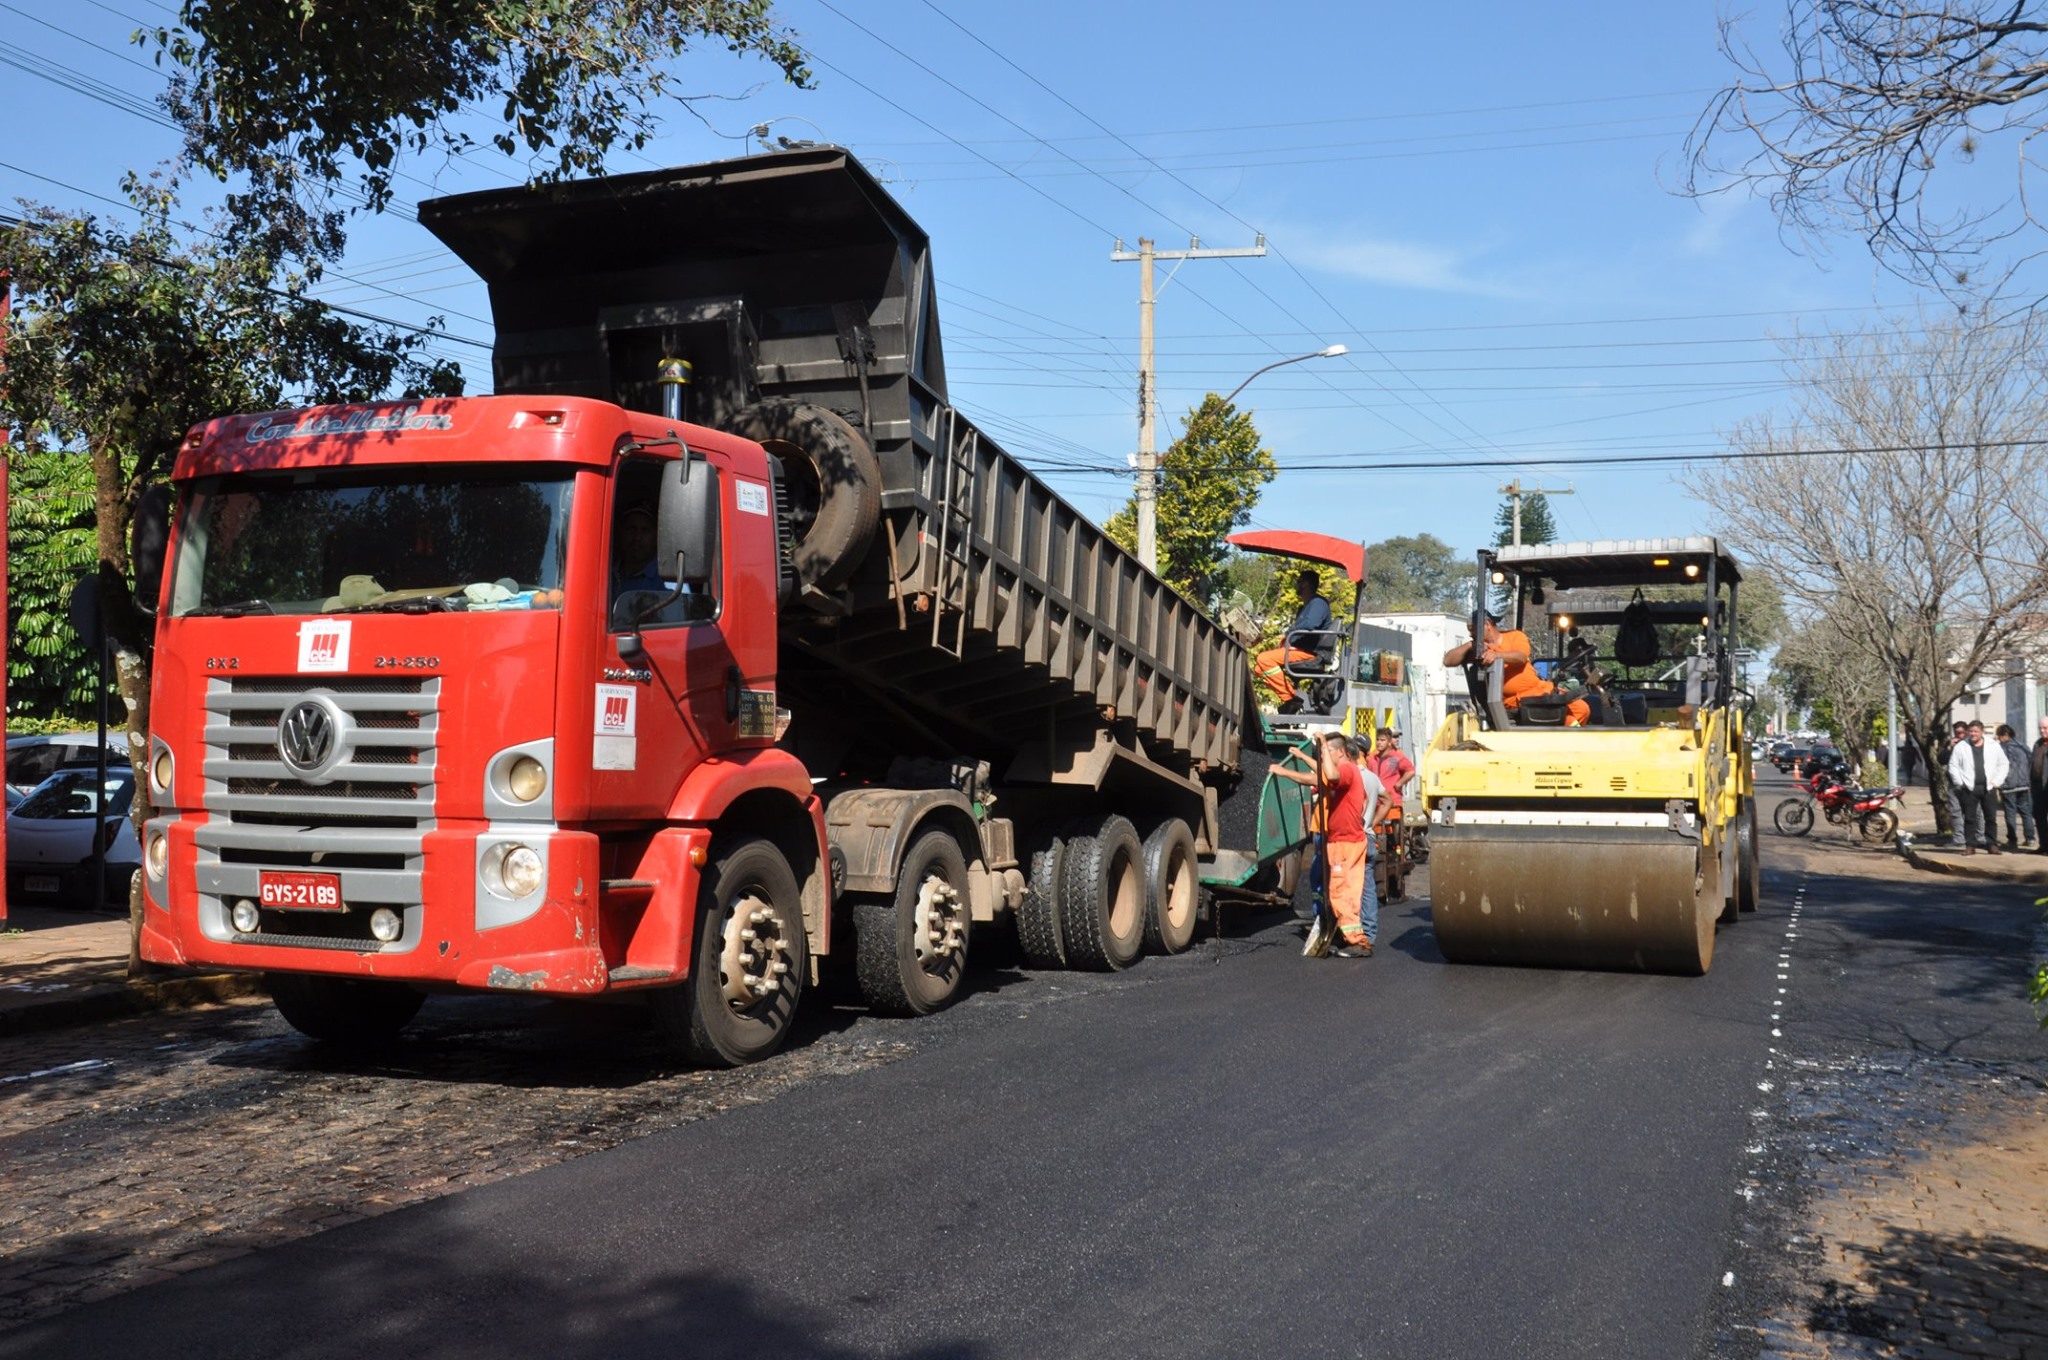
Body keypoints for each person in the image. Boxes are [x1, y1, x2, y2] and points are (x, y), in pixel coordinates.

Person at [1272, 733, 1382, 958]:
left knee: (1340, 891)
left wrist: (1321, 744)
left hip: (1345, 842)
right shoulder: (1344, 772)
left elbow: (1328, 774)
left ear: (1340, 752)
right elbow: (1317, 777)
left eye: (1327, 753)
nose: (1323, 757)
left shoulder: (1347, 770)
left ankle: (1357, 940)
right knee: (1345, 891)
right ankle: (1351, 936)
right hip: (1342, 841)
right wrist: (1299, 760)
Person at [1443, 612, 1589, 726]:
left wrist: (1497, 655)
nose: (1471, 634)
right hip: (1518, 702)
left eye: (1473, 630)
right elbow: (1448, 660)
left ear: (1487, 624)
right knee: (1568, 720)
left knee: (1582, 708)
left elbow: (1520, 657)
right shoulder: (1479, 649)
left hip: (1542, 690)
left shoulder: (1514, 636)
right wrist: (1470, 645)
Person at [1254, 571, 1335, 713]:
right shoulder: (1306, 606)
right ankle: (1291, 697)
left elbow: (1311, 624)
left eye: (1300, 581)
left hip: (1311, 653)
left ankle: (1290, 699)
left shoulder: (1318, 603)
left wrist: (1289, 634)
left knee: (1264, 659)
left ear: (1307, 584)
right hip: (1301, 649)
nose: (1297, 584)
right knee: (1259, 668)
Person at [1363, 727, 1416, 904]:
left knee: (1395, 842)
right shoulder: (1370, 758)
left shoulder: (1397, 757)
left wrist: (1399, 783)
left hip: (1392, 804)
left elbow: (1410, 771)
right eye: (1377, 740)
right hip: (1375, 804)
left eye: (1382, 740)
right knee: (1376, 837)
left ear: (1389, 741)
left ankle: (1397, 884)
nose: (1379, 743)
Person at [1946, 719, 2008, 855]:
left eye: (1976, 731)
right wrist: (1960, 782)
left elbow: (2003, 764)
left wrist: (1997, 781)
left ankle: (1992, 844)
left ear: (1982, 732)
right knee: (1969, 818)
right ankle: (1970, 845)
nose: (1973, 734)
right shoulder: (1961, 747)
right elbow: (1953, 766)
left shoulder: (1993, 746)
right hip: (1968, 788)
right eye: (1971, 731)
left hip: (1988, 788)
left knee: (1990, 818)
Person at [1997, 723, 2034, 850]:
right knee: (2026, 812)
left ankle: (2012, 840)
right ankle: (2030, 838)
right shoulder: (2023, 746)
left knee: (2010, 813)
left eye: (1999, 736)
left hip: (2008, 785)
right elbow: (2031, 762)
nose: (1998, 738)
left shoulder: (2002, 748)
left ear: (2005, 735)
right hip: (2024, 784)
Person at [2032, 717, 2048, 854]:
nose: (2042, 731)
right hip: (2037, 787)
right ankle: (2044, 845)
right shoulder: (2038, 744)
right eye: (2040, 728)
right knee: (2039, 816)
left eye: (2045, 728)